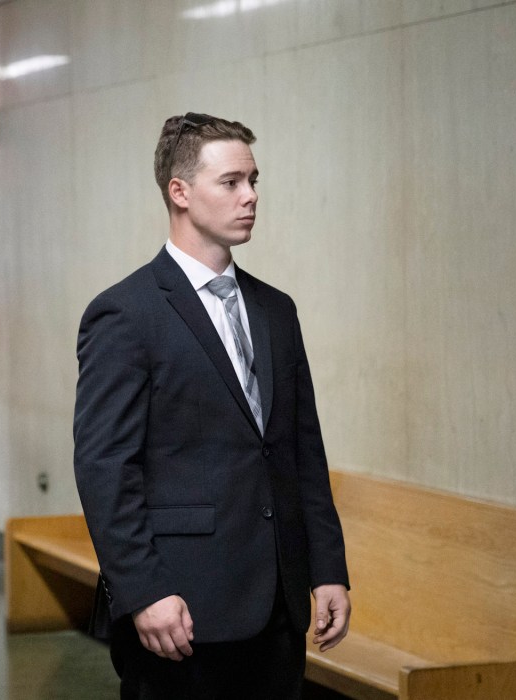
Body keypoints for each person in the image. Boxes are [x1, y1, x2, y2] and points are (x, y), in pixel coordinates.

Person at [73, 113, 351, 699]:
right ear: (179, 191)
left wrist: (327, 569)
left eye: (254, 181)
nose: (250, 197)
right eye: (231, 182)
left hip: (278, 606)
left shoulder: (277, 311)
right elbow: (104, 467)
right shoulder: (125, 314)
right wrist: (143, 590)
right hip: (181, 607)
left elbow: (302, 450)